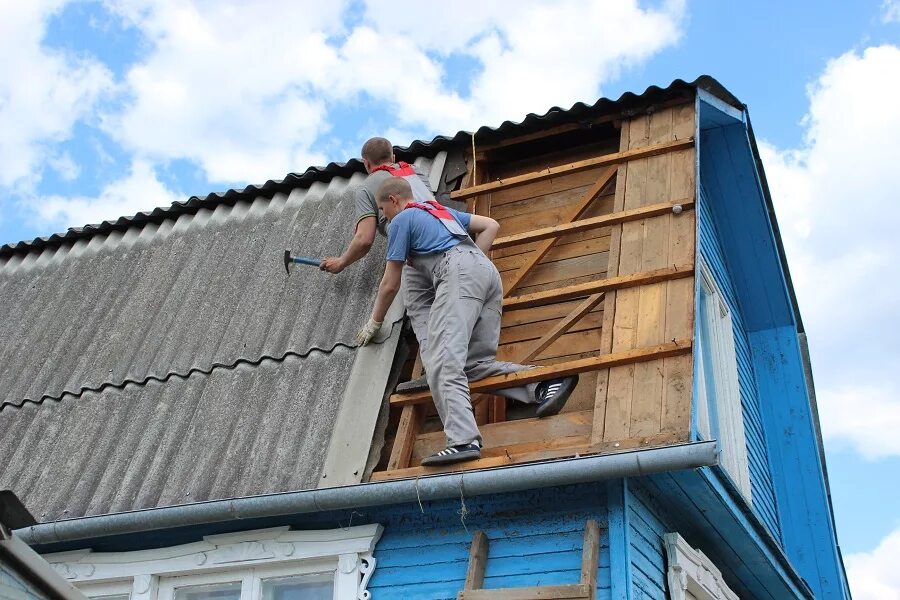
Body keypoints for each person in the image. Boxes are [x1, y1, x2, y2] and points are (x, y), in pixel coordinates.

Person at [356, 177, 579, 467]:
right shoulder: (439, 213)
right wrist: (471, 267)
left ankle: (462, 440)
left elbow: (389, 283)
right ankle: (545, 382)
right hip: (485, 271)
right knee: (473, 366)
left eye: (383, 211)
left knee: (443, 360)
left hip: (459, 270)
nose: (384, 218)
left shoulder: (402, 220)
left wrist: (374, 322)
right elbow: (491, 225)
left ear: (394, 201)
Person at [320, 137, 436, 361]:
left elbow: (364, 239)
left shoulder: (367, 187)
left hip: (417, 251)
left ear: (366, 164)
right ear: (393, 157)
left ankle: (436, 362)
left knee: (420, 308)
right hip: (444, 234)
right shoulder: (415, 172)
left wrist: (341, 262)